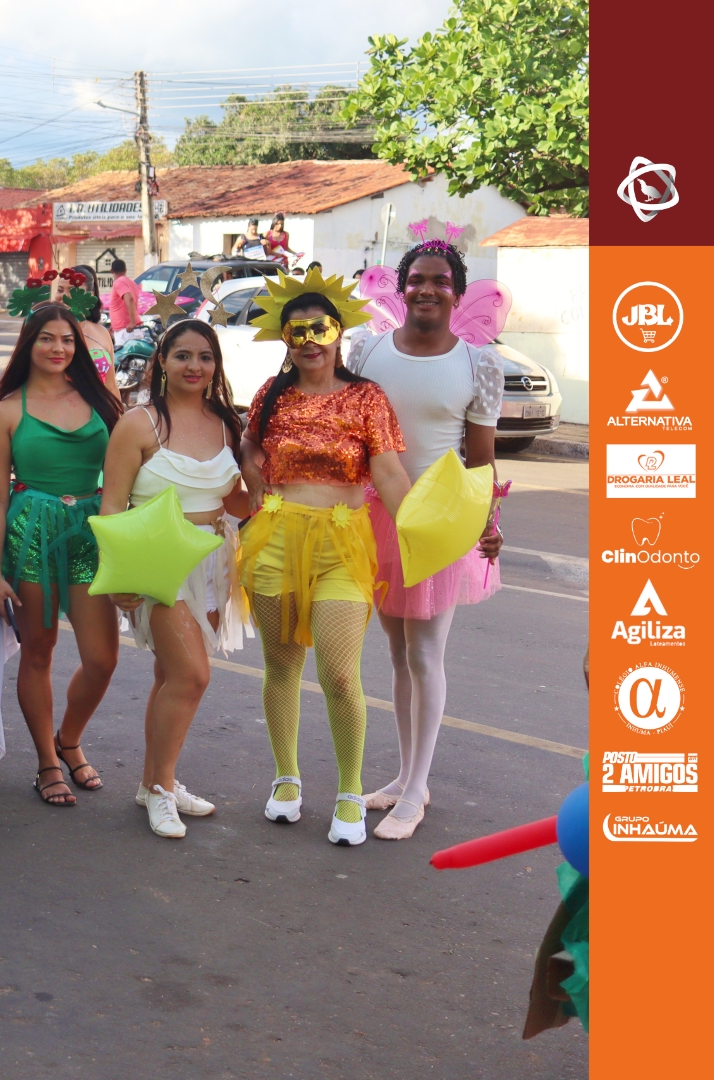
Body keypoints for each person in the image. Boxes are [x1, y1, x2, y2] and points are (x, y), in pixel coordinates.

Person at [237, 269, 412, 846]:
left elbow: (388, 473)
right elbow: (249, 444)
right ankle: (286, 779)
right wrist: (253, 478)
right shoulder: (272, 393)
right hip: (276, 538)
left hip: (341, 545)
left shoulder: (367, 398)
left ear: (340, 332)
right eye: (297, 331)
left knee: (339, 673)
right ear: (284, 339)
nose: (309, 340)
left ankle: (349, 790)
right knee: (282, 663)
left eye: (320, 328)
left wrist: (424, 533)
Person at [343, 240, 504, 841]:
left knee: (426, 652)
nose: (426, 289)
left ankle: (415, 791)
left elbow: (480, 460)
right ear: (401, 287)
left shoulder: (478, 364)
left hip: (439, 520)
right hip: (374, 515)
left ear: (456, 293)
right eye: (416, 279)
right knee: (396, 652)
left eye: (439, 281)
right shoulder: (367, 349)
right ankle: (405, 777)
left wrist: (489, 522)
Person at [98, 319, 251, 837]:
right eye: (183, 355)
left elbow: (233, 500)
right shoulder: (138, 423)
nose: (194, 366)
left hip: (213, 561)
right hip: (155, 562)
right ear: (162, 361)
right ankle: (162, 790)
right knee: (191, 676)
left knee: (170, 675)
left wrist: (268, 480)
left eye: (205, 357)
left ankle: (154, 782)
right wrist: (118, 576)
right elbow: (112, 505)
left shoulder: (226, 423)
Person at [0, 302, 123, 807]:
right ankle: (47, 761)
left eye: (67, 339)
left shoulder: (102, 400)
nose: (58, 348)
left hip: (90, 535)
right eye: (46, 338)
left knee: (102, 659)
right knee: (38, 652)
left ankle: (69, 738)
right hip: (31, 536)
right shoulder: (4, 413)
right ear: (28, 344)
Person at [58, 265, 121, 399]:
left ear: (90, 295)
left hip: (100, 410)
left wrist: (118, 411)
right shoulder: (44, 333)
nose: (64, 296)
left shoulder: (101, 333)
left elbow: (111, 386)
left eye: (72, 290)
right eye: (60, 290)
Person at [107, 259, 143, 346]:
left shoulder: (119, 282)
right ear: (125, 270)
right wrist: (113, 325)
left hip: (126, 330)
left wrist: (132, 322)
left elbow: (129, 299)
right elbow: (122, 305)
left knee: (122, 355)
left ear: (111, 271)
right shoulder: (131, 283)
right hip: (128, 329)